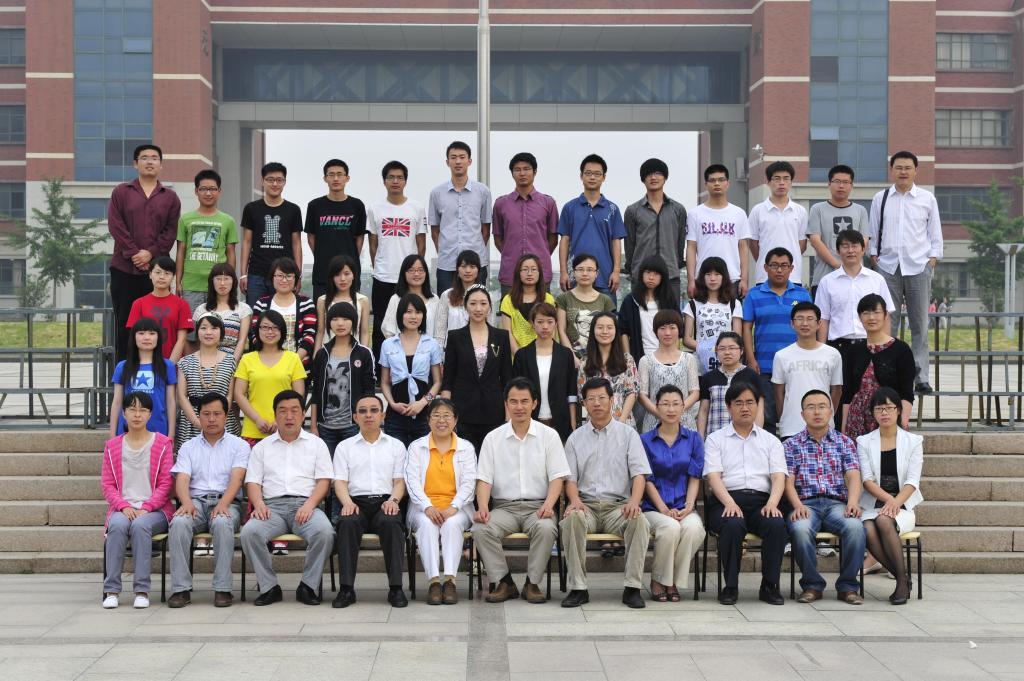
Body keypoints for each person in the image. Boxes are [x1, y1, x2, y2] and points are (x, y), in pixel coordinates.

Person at [473, 377, 570, 603]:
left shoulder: (549, 436)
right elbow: (484, 480)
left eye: (525, 401)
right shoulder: (493, 438)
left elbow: (557, 477)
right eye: (513, 401)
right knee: (481, 528)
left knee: (546, 528)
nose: (519, 407)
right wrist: (484, 507)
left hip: (538, 506)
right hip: (503, 508)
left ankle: (532, 584)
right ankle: (504, 582)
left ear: (534, 403)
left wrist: (549, 505)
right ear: (506, 404)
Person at [560, 377, 652, 609]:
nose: (597, 403)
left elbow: (639, 474)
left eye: (602, 397)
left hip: (618, 507)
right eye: (591, 399)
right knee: (571, 519)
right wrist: (574, 500)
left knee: (639, 521)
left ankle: (632, 588)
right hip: (587, 505)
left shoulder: (628, 435)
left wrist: (634, 501)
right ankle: (578, 588)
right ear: (584, 404)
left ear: (612, 400)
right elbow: (570, 479)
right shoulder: (575, 438)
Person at [241, 390, 335, 606]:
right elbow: (252, 482)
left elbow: (324, 480)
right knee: (250, 532)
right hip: (271, 507)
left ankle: (308, 586)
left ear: (303, 415)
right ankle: (269, 587)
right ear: (275, 415)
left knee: (325, 532)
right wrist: (259, 504)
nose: (289, 416)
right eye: (283, 411)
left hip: (306, 506)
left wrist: (310, 504)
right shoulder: (262, 447)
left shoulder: (316, 444)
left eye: (294, 411)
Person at [703, 381, 787, 605]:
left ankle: (769, 586)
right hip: (726, 500)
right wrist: (730, 503)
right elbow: (713, 477)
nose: (745, 408)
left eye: (750, 402)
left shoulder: (771, 441)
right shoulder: (715, 439)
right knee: (732, 524)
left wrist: (772, 503)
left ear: (758, 406)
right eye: (738, 403)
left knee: (776, 524)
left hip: (761, 501)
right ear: (729, 407)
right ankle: (730, 586)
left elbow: (779, 477)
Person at [869, 150, 943, 394]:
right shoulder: (881, 198)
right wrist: (874, 258)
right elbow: (873, 231)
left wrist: (932, 260)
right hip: (888, 267)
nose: (903, 172)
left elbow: (935, 233)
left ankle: (921, 377)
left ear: (915, 171)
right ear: (891, 170)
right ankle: (887, 373)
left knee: (920, 324)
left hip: (918, 267)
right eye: (898, 167)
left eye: (907, 167)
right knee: (888, 323)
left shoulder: (927, 198)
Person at [783, 389, 865, 606]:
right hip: (805, 504)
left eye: (822, 407)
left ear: (831, 411)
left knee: (855, 527)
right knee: (800, 529)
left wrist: (853, 502)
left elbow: (853, 475)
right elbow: (787, 481)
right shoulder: (791, 445)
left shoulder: (844, 442)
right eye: (811, 408)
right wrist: (797, 505)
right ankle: (812, 585)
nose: (817, 412)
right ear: (802, 414)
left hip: (836, 503)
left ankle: (848, 586)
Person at [167, 392, 249, 608]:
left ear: (225, 416)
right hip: (195, 502)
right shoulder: (188, 446)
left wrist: (223, 504)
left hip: (228, 502)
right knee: (178, 523)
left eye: (217, 414)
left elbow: (237, 478)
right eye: (206, 414)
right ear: (199, 416)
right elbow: (182, 479)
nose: (211, 419)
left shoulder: (239, 445)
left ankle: (223, 589)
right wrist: (186, 502)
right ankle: (181, 589)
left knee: (222, 523)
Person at [332, 394, 409, 609]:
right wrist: (347, 503)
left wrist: (394, 500)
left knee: (391, 522)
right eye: (363, 411)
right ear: (355, 417)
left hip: (386, 501)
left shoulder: (396, 446)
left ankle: (396, 588)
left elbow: (400, 481)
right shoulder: (344, 447)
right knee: (347, 523)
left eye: (374, 410)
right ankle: (346, 589)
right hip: (355, 502)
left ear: (382, 416)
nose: (368, 415)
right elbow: (339, 482)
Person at [100, 391, 174, 609]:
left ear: (150, 414)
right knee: (116, 526)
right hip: (123, 509)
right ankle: (112, 590)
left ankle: (141, 590)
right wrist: (123, 506)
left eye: (143, 410)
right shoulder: (113, 446)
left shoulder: (163, 444)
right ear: (124, 413)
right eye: (132, 409)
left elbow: (166, 484)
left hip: (155, 510)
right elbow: (107, 485)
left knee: (141, 526)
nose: (137, 415)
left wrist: (147, 507)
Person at [108, 143, 181, 362]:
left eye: (154, 158)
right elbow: (116, 225)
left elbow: (170, 231)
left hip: (156, 273)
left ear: (161, 164)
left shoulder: (170, 197)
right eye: (144, 158)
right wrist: (134, 253)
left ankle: (155, 370)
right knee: (124, 323)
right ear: (135, 163)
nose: (150, 162)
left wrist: (150, 254)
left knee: (156, 324)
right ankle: (125, 372)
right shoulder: (121, 192)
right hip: (124, 269)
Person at [814, 229, 895, 424]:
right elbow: (823, 319)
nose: (850, 250)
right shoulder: (827, 282)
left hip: (870, 346)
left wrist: (885, 348)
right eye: (845, 246)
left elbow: (886, 316)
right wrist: (821, 351)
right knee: (839, 395)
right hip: (839, 348)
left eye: (855, 246)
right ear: (838, 251)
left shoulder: (876, 280)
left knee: (872, 395)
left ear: (863, 249)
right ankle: (839, 436)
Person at [405, 398, 477, 605]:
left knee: (452, 524)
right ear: (428, 420)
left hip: (458, 508)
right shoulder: (416, 447)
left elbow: (469, 482)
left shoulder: (466, 448)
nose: (441, 420)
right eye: (436, 415)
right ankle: (434, 582)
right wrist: (427, 507)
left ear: (455, 420)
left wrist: (454, 507)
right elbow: (411, 481)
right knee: (427, 525)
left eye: (447, 416)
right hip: (423, 507)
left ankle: (450, 581)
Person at [856, 387, 924, 605]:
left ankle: (901, 582)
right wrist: (888, 499)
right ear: (873, 413)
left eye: (889, 407)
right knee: (867, 527)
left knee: (884, 521)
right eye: (879, 408)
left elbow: (912, 481)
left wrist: (895, 502)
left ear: (898, 410)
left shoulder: (913, 441)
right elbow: (867, 480)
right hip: (873, 505)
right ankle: (902, 578)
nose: (884, 413)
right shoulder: (864, 441)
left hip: (902, 506)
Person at [641, 385, 706, 602]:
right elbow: (646, 479)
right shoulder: (645, 440)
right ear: (656, 407)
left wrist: (689, 506)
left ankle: (671, 581)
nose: (671, 409)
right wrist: (663, 509)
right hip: (653, 508)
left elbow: (695, 475)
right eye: (665, 404)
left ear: (683, 406)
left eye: (676, 404)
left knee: (694, 528)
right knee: (670, 528)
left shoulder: (694, 439)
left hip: (683, 505)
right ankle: (659, 580)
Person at [742, 247, 812, 435]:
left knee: (796, 411)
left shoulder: (802, 295)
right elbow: (747, 328)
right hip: (765, 366)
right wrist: (751, 358)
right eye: (774, 265)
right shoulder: (754, 295)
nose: (779, 270)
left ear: (791, 268)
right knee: (768, 416)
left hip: (796, 365)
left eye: (784, 266)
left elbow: (810, 326)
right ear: (765, 267)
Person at [441, 285, 513, 455]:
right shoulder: (455, 337)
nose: (478, 309)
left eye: (483, 303)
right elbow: (448, 379)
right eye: (473, 303)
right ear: (465, 306)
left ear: (490, 307)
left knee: (492, 460)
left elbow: (507, 378)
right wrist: (446, 413)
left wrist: (507, 414)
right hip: (463, 410)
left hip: (493, 410)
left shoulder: (501, 336)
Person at [368, 160, 428, 360]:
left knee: (411, 322)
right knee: (380, 325)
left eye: (400, 178)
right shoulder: (375, 208)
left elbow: (421, 245)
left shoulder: (416, 208)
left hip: (408, 278)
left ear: (405, 181)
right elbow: (373, 244)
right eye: (391, 177)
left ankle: (411, 362)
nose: (395, 181)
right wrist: (379, 266)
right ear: (384, 181)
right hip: (383, 277)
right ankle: (379, 367)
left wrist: (415, 272)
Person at [309, 302, 377, 459]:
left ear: (354, 322)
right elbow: (316, 392)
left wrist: (364, 423)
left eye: (345, 319)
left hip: (353, 426)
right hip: (325, 426)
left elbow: (369, 392)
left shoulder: (364, 353)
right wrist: (313, 426)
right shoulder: (322, 354)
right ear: (329, 323)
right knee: (327, 469)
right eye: (335, 319)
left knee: (354, 467)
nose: (340, 323)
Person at [842, 294, 915, 438]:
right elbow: (847, 395)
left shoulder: (901, 350)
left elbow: (907, 393)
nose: (871, 317)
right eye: (866, 313)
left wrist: (902, 423)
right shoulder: (854, 351)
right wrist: (844, 429)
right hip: (856, 420)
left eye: (876, 312)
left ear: (885, 315)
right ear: (859, 317)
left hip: (888, 418)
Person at [558, 154, 626, 303]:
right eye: (588, 173)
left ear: (604, 177)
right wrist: (563, 271)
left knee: (607, 317)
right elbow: (564, 240)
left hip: (605, 277)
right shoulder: (570, 208)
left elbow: (616, 242)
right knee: (574, 317)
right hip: (575, 276)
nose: (592, 177)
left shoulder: (612, 209)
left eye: (597, 174)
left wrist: (616, 271)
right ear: (581, 176)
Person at [234, 309, 307, 448]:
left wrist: (279, 421)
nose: (270, 332)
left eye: (275, 328)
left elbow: (298, 395)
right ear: (258, 330)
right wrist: (257, 419)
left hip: (285, 430)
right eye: (265, 327)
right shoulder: (247, 359)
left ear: (282, 331)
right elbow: (238, 393)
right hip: (253, 430)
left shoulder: (293, 358)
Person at [379, 293, 444, 447]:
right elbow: (384, 382)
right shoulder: (388, 344)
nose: (413, 316)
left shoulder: (431, 344)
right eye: (408, 312)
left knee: (422, 456)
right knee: (396, 456)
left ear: (423, 316)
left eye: (418, 312)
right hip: (396, 416)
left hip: (424, 415)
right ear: (400, 315)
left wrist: (422, 403)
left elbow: (437, 382)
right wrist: (393, 404)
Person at [771, 302, 843, 441]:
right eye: (799, 319)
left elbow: (837, 391)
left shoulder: (832, 354)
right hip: (791, 427)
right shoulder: (782, 356)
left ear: (819, 323)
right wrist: (784, 418)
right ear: (792, 324)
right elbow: (778, 394)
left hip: (824, 426)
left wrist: (827, 415)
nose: (805, 323)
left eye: (810, 319)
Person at [428, 141, 492, 293]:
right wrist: (443, 251)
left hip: (476, 264)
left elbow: (485, 230)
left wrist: (475, 251)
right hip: (446, 264)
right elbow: (435, 231)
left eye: (462, 157)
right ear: (447, 162)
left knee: (476, 303)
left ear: (469, 161)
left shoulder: (483, 192)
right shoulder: (436, 193)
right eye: (453, 157)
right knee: (446, 303)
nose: (458, 161)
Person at [492, 152, 558, 295]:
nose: (522, 173)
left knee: (542, 310)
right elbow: (498, 238)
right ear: (512, 173)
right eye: (517, 169)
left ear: (535, 172)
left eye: (526, 169)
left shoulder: (548, 203)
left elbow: (553, 239)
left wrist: (540, 254)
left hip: (540, 273)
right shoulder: (501, 204)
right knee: (508, 308)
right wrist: (510, 253)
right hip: (510, 273)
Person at [239, 162, 303, 307]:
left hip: (284, 274)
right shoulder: (251, 208)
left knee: (283, 314)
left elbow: (296, 243)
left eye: (279, 180)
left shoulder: (293, 210)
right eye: (270, 179)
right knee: (255, 314)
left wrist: (297, 275)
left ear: (284, 182)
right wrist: (243, 274)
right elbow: (247, 242)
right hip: (256, 274)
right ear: (263, 181)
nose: (275, 184)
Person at [624, 158, 687, 302]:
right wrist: (633, 269)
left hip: (670, 275)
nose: (653, 177)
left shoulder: (678, 209)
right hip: (641, 276)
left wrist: (676, 263)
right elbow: (629, 244)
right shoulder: (632, 211)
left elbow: (680, 242)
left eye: (658, 173)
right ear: (643, 179)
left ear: (665, 177)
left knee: (671, 315)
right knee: (640, 315)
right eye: (649, 174)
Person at [513, 303, 578, 442]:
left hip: (559, 420)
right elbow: (515, 391)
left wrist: (572, 420)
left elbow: (571, 390)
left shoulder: (565, 354)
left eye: (550, 322)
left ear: (556, 323)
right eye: (540, 322)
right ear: (532, 323)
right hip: (530, 419)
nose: (545, 326)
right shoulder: (522, 355)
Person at [305, 158, 367, 303]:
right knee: (322, 312)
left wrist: (351, 258)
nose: (336, 178)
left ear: (347, 178)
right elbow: (311, 237)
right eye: (331, 174)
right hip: (322, 272)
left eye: (340, 174)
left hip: (349, 272)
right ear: (325, 178)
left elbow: (360, 237)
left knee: (350, 312)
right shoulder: (315, 206)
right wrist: (321, 255)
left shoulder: (357, 205)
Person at [175, 169, 237, 312]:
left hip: (218, 285)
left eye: (212, 189)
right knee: (191, 325)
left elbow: (231, 253)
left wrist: (230, 282)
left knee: (217, 323)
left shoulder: (228, 221)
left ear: (219, 191)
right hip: (191, 284)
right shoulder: (185, 219)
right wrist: (178, 281)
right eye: (203, 189)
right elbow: (180, 252)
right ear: (196, 191)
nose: (208, 193)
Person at [686, 163, 750, 298]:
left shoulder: (739, 213)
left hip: (732, 278)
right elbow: (691, 248)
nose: (717, 183)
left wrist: (744, 279)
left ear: (727, 183)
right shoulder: (695, 214)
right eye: (712, 180)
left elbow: (743, 247)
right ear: (706, 184)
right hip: (703, 278)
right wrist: (691, 280)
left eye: (721, 180)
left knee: (733, 312)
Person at [175, 314, 239, 449]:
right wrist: (198, 422)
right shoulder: (185, 362)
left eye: (214, 328)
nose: (208, 332)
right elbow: (181, 396)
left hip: (223, 420)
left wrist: (219, 418)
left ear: (221, 333)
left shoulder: (231, 361)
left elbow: (230, 394)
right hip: (192, 423)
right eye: (203, 328)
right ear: (197, 332)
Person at [806, 164, 870, 295]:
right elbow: (815, 240)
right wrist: (838, 265)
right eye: (837, 181)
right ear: (829, 184)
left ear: (851, 185)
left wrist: (848, 266)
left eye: (846, 182)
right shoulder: (817, 209)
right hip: (823, 276)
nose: (841, 186)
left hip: (855, 278)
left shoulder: (861, 211)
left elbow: (864, 241)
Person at [109, 317, 177, 440]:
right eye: (141, 333)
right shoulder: (122, 366)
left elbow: (171, 401)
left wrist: (171, 434)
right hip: (127, 431)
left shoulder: (168, 366)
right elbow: (117, 401)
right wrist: (112, 434)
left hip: (158, 430)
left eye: (152, 333)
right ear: (134, 337)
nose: (146, 337)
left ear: (158, 337)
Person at [636, 310, 699, 433]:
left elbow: (695, 392)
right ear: (655, 331)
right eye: (662, 328)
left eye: (672, 328)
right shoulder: (646, 361)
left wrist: (678, 410)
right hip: (654, 422)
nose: (667, 333)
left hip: (684, 422)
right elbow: (642, 395)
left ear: (679, 330)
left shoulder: (689, 359)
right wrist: (659, 412)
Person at [249, 257, 317, 369]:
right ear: (272, 278)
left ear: (295, 279)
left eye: (289, 276)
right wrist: (272, 361)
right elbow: (255, 334)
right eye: (280, 275)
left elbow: (309, 335)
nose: (284, 280)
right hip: (266, 366)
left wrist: (292, 362)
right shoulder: (261, 304)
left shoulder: (306, 303)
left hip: (298, 366)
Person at [749, 161, 808, 286]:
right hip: (764, 276)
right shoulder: (758, 210)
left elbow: (802, 244)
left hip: (793, 276)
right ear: (768, 182)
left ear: (791, 182)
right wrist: (768, 262)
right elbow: (753, 243)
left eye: (786, 179)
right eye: (776, 179)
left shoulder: (800, 211)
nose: (782, 183)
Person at [577, 312, 638, 427]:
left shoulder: (627, 360)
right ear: (593, 330)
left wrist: (621, 422)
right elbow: (582, 397)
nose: (605, 331)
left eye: (609, 327)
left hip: (624, 423)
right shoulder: (585, 362)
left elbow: (632, 392)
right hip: (595, 425)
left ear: (616, 330)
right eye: (600, 327)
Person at [126, 255, 192, 362]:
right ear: (150, 274)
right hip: (145, 364)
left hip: (173, 364)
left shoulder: (182, 304)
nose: (162, 277)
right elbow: (135, 338)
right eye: (157, 272)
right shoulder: (138, 304)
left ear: (173, 277)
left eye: (167, 273)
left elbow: (182, 339)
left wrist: (169, 366)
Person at [683, 256, 742, 375]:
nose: (713, 278)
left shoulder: (734, 304)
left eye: (717, 274)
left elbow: (737, 336)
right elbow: (686, 339)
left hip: (728, 363)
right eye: (708, 274)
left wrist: (722, 349)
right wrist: (706, 349)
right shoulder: (693, 304)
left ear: (724, 277)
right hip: (699, 367)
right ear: (702, 277)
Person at [697, 331, 763, 437]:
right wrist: (700, 438)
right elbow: (703, 411)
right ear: (716, 351)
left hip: (745, 437)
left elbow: (759, 409)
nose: (727, 352)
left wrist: (757, 436)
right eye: (722, 348)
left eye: (732, 348)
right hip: (714, 437)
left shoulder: (751, 376)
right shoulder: (708, 377)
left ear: (741, 350)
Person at [555, 253, 616, 360]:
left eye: (590, 270)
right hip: (570, 358)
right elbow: (561, 331)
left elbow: (610, 332)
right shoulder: (563, 298)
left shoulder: (605, 300)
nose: (585, 273)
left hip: (599, 359)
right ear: (573, 272)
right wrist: (573, 358)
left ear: (596, 273)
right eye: (580, 269)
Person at [618, 255, 676, 363]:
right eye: (648, 272)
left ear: (662, 276)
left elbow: (677, 329)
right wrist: (628, 359)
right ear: (641, 274)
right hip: (639, 358)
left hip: (666, 358)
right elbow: (623, 331)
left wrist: (674, 356)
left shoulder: (669, 300)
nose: (651, 277)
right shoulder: (631, 300)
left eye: (656, 274)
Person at [192, 262, 252, 365]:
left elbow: (242, 341)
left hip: (233, 363)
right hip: (204, 363)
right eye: (218, 279)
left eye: (226, 279)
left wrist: (230, 365)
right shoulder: (201, 310)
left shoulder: (243, 309)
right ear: (212, 281)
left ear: (233, 281)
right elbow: (197, 342)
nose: (222, 283)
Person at [499, 253, 556, 354]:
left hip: (544, 355)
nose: (529, 273)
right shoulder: (508, 300)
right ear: (518, 273)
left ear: (539, 273)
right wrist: (520, 356)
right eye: (525, 269)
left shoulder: (548, 299)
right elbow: (508, 333)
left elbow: (553, 331)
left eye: (533, 269)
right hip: (516, 357)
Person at [434, 249, 491, 350]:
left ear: (478, 270)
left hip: (478, 350)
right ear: (457, 270)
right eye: (463, 266)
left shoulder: (486, 295)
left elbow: (490, 325)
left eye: (472, 267)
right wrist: (439, 354)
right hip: (451, 350)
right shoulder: (447, 295)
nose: (467, 270)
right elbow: (440, 332)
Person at [313, 255, 370, 352]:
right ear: (332, 277)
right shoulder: (322, 301)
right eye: (337, 274)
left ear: (353, 275)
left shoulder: (362, 300)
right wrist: (316, 355)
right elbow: (320, 331)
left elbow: (364, 332)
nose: (342, 279)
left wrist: (364, 354)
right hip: (328, 353)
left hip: (353, 353)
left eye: (347, 274)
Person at [381, 254, 440, 341]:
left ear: (426, 273)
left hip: (429, 348)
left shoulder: (434, 299)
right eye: (411, 270)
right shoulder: (396, 299)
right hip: (401, 347)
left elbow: (439, 331)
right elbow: (388, 331)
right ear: (404, 273)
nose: (416, 274)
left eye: (420, 270)